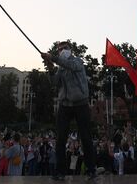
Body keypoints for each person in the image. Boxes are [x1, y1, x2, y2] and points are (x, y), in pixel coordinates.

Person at [41, 41, 96, 181]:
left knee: (86, 138)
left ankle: (91, 169)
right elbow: (54, 82)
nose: (61, 51)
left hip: (80, 104)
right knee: (60, 139)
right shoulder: (60, 68)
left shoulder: (77, 61)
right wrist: (50, 68)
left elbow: (70, 66)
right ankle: (60, 171)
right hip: (65, 105)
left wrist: (52, 58)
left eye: (64, 48)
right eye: (59, 49)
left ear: (70, 50)